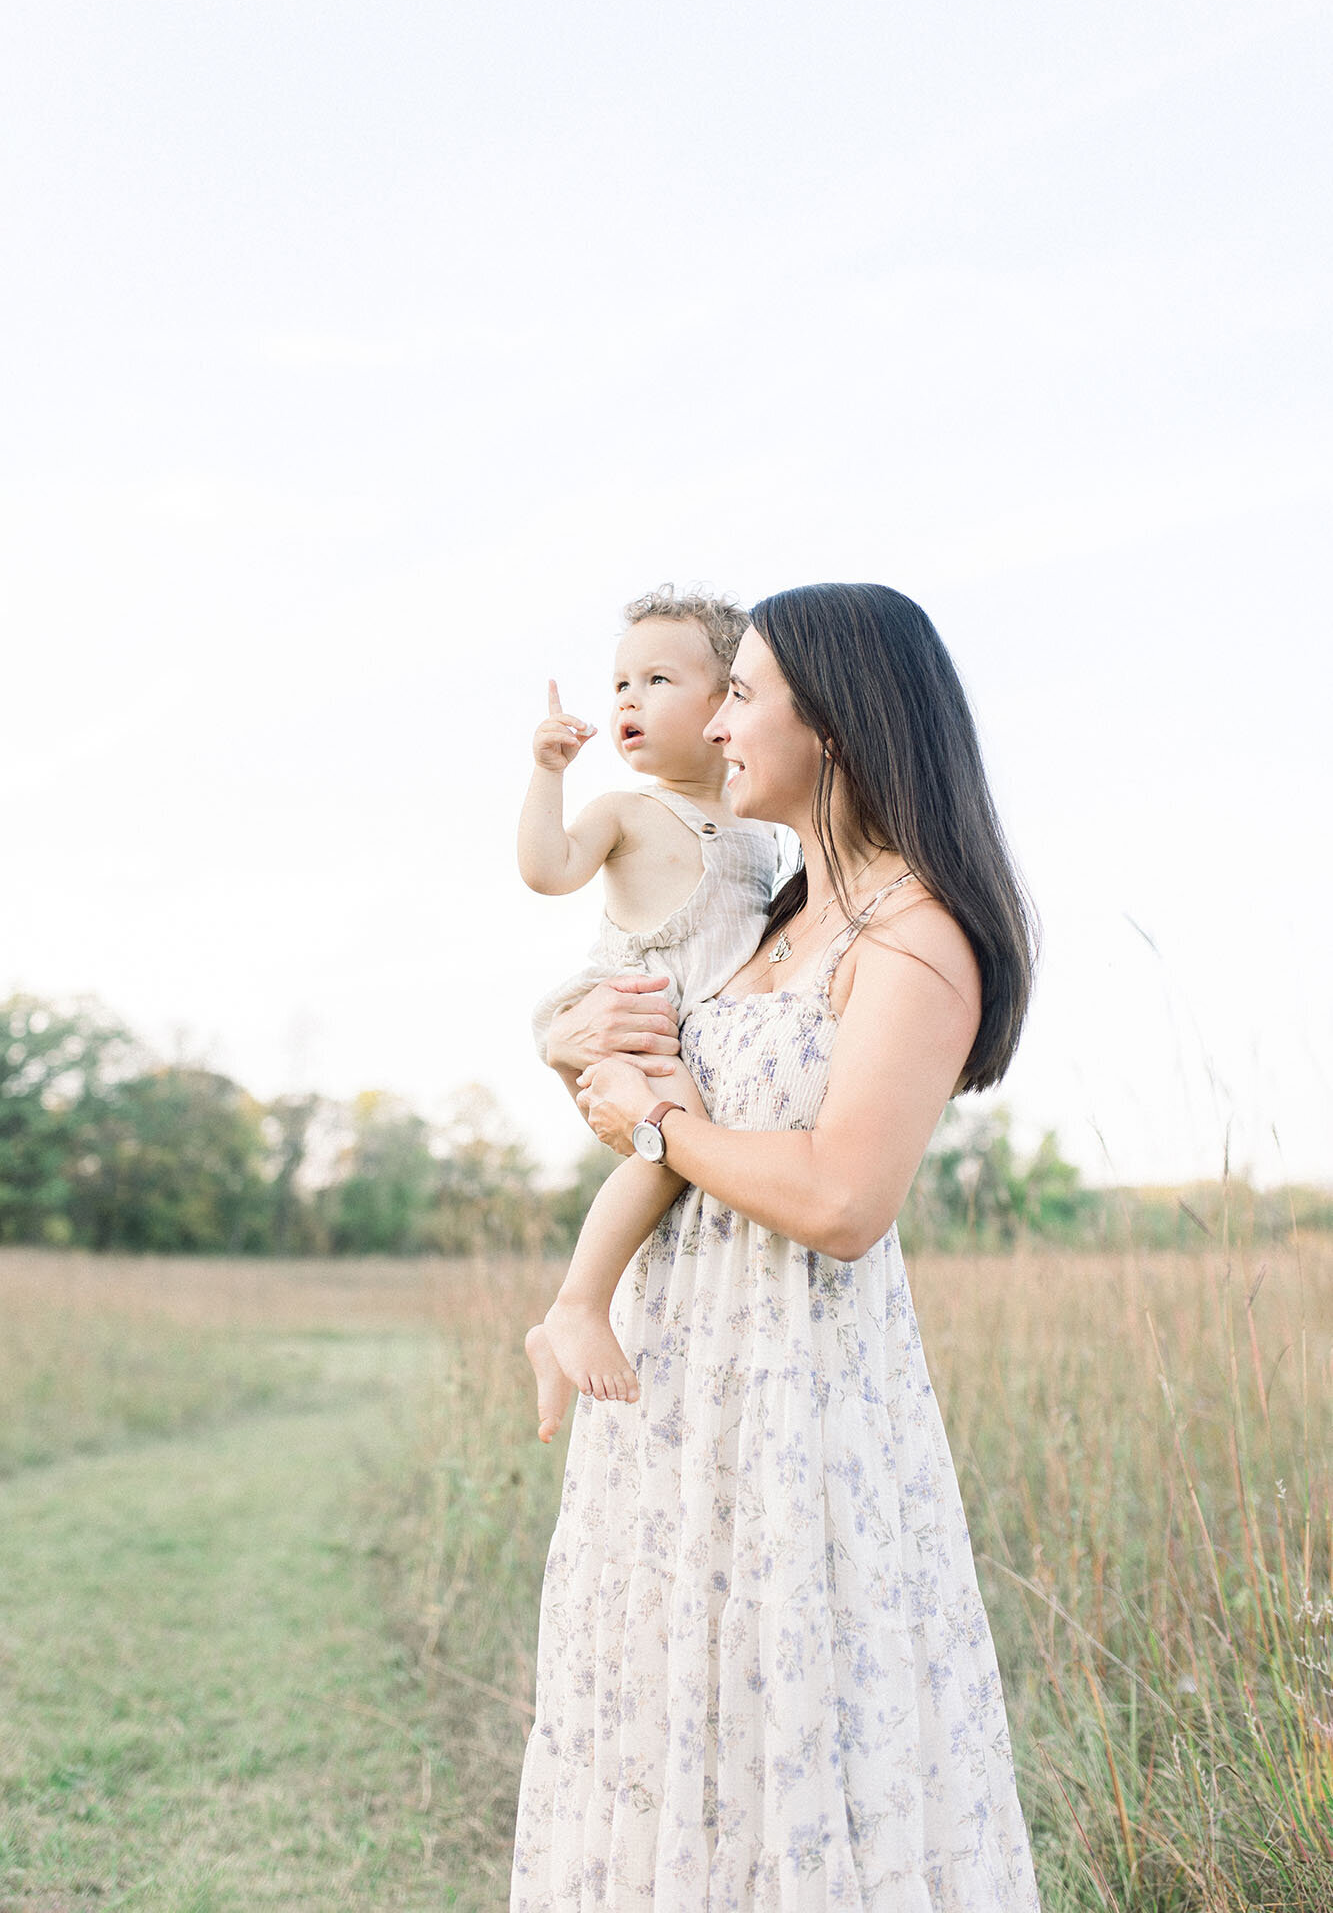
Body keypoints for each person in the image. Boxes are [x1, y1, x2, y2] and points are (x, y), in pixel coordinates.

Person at [511, 582, 1043, 1910]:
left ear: (842, 725)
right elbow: (673, 1135)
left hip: (796, 1405)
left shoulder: (913, 935)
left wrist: (656, 1120)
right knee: (669, 1731)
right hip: (675, 1394)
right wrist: (574, 1053)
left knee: (795, 1731)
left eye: (744, 694)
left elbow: (839, 1202)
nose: (722, 724)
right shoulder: (774, 920)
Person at [520, 588, 777, 1442]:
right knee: (668, 1146)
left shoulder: (757, 823)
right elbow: (547, 871)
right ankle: (575, 1306)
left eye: (657, 678)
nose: (627, 699)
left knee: (674, 1153)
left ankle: (560, 1335)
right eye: (620, 683)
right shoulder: (627, 810)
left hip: (689, 1036)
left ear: (727, 700)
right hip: (630, 1013)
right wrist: (548, 773)